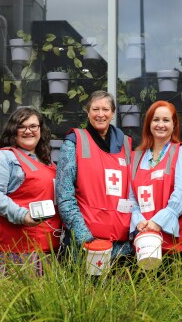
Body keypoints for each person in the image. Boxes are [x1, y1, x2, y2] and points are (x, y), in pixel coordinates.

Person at [0, 108, 61, 275]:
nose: (28, 131)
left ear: (40, 129)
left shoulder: (48, 163)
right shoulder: (2, 157)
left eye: (33, 126)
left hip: (46, 248)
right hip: (12, 251)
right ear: (13, 130)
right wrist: (22, 216)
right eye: (21, 126)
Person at [56, 90, 133, 260]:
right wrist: (86, 239)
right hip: (84, 245)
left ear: (112, 113)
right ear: (87, 112)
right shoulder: (74, 142)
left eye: (105, 109)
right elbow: (64, 196)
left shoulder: (126, 145)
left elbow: (132, 193)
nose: (100, 114)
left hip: (121, 247)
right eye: (95, 109)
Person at [129, 101, 182, 258]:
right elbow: (131, 197)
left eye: (166, 120)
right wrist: (138, 220)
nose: (160, 124)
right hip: (145, 241)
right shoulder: (136, 157)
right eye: (156, 119)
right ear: (148, 124)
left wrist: (158, 222)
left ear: (174, 125)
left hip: (177, 245)